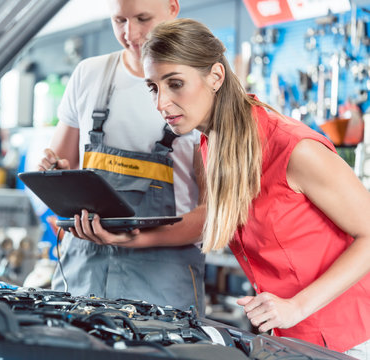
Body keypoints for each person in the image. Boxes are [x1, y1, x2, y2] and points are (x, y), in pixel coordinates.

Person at [140, 18, 370, 357]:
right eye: (154, 88)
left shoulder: (294, 149)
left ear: (215, 76)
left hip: (350, 338)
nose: (161, 103)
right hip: (290, 336)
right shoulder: (211, 146)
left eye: (175, 84)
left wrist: (296, 307)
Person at [37, 0, 207, 313]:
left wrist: (134, 240)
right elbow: (61, 168)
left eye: (143, 18)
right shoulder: (89, 75)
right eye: (119, 21)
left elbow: (212, 214)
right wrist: (54, 171)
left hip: (162, 283)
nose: (131, 33)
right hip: (82, 274)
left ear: (172, 8)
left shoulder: (201, 89)